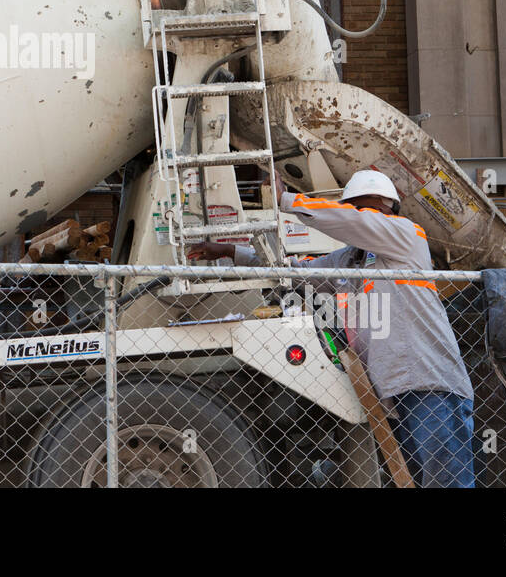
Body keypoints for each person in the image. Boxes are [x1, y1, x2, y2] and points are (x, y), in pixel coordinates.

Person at [194, 169, 476, 487]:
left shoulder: (406, 237)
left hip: (428, 383)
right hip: (393, 391)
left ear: (388, 208)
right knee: (414, 480)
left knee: (447, 482)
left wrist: (285, 200)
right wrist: (234, 253)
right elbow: (295, 274)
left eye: (366, 208)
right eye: (354, 207)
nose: (359, 216)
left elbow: (354, 223)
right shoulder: (348, 261)